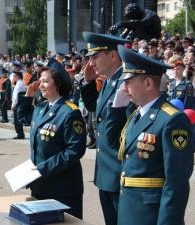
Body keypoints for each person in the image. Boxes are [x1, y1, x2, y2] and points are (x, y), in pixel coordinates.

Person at [108, 45, 194, 225]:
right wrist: (116, 109)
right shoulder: (136, 114)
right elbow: (112, 142)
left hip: (151, 216)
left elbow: (176, 183)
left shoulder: (172, 120)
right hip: (130, 210)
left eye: (128, 81)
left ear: (147, 83)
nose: (124, 87)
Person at [18, 59, 86, 219]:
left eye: (45, 81)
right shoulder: (41, 108)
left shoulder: (69, 112)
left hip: (62, 188)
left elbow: (75, 150)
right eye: (40, 81)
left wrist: (44, 168)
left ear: (58, 84)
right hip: (40, 186)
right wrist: (27, 98)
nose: (40, 85)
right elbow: (23, 119)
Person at [81, 31, 130, 225]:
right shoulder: (110, 82)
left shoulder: (125, 83)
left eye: (95, 56)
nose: (90, 62)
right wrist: (87, 82)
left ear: (112, 55)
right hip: (106, 173)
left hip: (119, 173)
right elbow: (95, 109)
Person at [12, 71, 26, 139]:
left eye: (14, 76)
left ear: (18, 76)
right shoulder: (20, 83)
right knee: (18, 119)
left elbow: (16, 96)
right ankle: (20, 133)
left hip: (17, 104)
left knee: (17, 120)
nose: (13, 77)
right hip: (20, 103)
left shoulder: (19, 84)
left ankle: (20, 134)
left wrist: (13, 105)